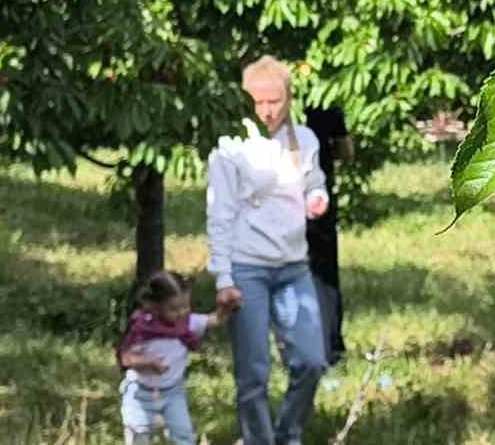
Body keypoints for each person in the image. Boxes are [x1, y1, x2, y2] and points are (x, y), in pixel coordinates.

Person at [207, 56, 331, 445]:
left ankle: (287, 435)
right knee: (253, 374)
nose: (266, 111)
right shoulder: (230, 144)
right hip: (248, 269)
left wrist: (317, 197)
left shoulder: (304, 138)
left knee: (311, 361)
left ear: (288, 98)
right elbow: (220, 212)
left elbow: (314, 180)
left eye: (274, 101)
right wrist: (224, 277)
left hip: (293, 266)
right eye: (257, 102)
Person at [116, 270, 230, 444]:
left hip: (173, 392)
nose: (182, 312)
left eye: (186, 306)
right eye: (174, 308)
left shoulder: (187, 323)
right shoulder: (144, 328)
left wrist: (226, 308)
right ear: (155, 307)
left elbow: (215, 320)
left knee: (184, 435)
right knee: (139, 437)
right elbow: (126, 358)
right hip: (141, 393)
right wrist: (147, 363)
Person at [303, 105, 350, 365]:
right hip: (318, 200)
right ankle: (331, 345)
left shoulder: (265, 98)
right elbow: (347, 150)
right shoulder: (325, 101)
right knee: (324, 273)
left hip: (279, 202)